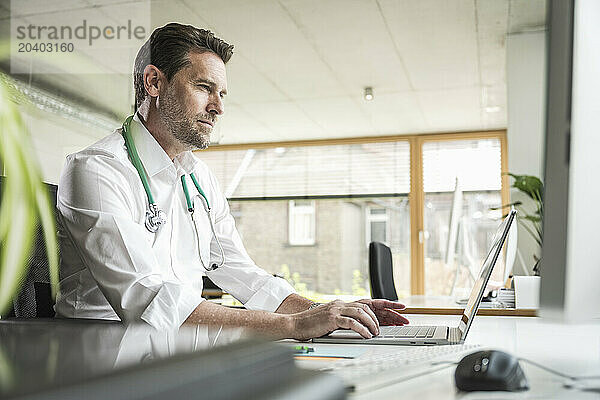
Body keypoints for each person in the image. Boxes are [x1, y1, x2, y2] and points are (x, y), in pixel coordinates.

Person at [55, 23, 409, 339]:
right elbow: (149, 300)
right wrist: (295, 325)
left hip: (175, 349)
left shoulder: (198, 178)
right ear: (154, 82)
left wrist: (320, 311)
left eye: (221, 94)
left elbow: (242, 274)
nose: (218, 107)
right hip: (100, 353)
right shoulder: (98, 170)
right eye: (204, 88)